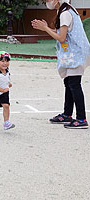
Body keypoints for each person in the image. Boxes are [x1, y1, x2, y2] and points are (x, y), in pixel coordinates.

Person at [32, 0, 90, 129]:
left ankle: (81, 119)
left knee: (74, 84)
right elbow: (62, 33)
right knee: (69, 83)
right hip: (72, 53)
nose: (47, 2)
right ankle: (67, 114)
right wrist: (48, 28)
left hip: (75, 53)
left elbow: (61, 38)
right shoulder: (65, 10)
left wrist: (45, 28)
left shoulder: (65, 13)